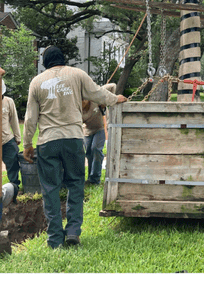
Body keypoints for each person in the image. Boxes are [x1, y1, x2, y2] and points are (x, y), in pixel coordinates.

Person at [23, 46, 126, 249]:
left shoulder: (37, 82)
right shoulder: (77, 74)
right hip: (72, 139)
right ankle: (72, 232)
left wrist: (27, 144)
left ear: (45, 63)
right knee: (76, 184)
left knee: (50, 189)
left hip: (47, 142)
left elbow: (30, 118)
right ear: (63, 59)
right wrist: (116, 99)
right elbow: (98, 93)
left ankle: (54, 239)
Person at [82, 82, 116, 186]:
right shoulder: (76, 108)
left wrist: (106, 102)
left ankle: (95, 179)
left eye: (84, 99)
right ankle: (90, 179)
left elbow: (113, 86)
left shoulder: (95, 97)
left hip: (100, 128)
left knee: (96, 149)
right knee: (89, 153)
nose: (83, 101)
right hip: (86, 131)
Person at [1, 67, 20, 201]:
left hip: (7, 140)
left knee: (13, 165)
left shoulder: (8, 102)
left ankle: (14, 192)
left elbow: (14, 120)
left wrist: (17, 137)